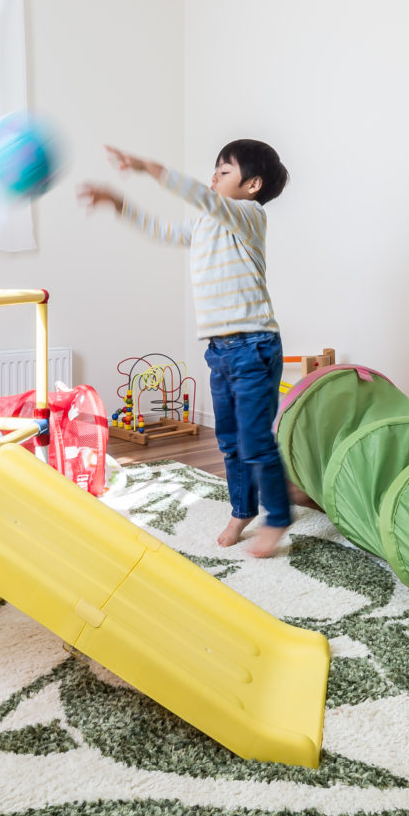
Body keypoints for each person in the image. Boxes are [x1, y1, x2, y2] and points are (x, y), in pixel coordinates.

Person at [78, 140, 293, 556]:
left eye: (225, 171)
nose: (214, 176)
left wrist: (147, 167)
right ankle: (242, 508)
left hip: (253, 347)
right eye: (214, 169)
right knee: (229, 440)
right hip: (221, 350)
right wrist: (119, 203)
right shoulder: (206, 224)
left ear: (253, 185)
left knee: (253, 440)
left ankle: (279, 516)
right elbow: (162, 230)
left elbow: (198, 195)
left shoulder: (249, 216)